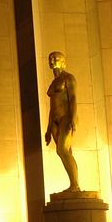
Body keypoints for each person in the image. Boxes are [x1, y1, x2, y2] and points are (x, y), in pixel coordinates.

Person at [44, 51, 80, 192]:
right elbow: (52, 107)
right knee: (65, 152)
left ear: (63, 62)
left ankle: (75, 185)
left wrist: (73, 118)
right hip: (55, 119)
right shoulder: (54, 82)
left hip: (66, 117)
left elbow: (73, 99)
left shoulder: (68, 78)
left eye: (55, 58)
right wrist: (48, 128)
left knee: (62, 150)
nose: (52, 60)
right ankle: (74, 183)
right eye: (50, 58)